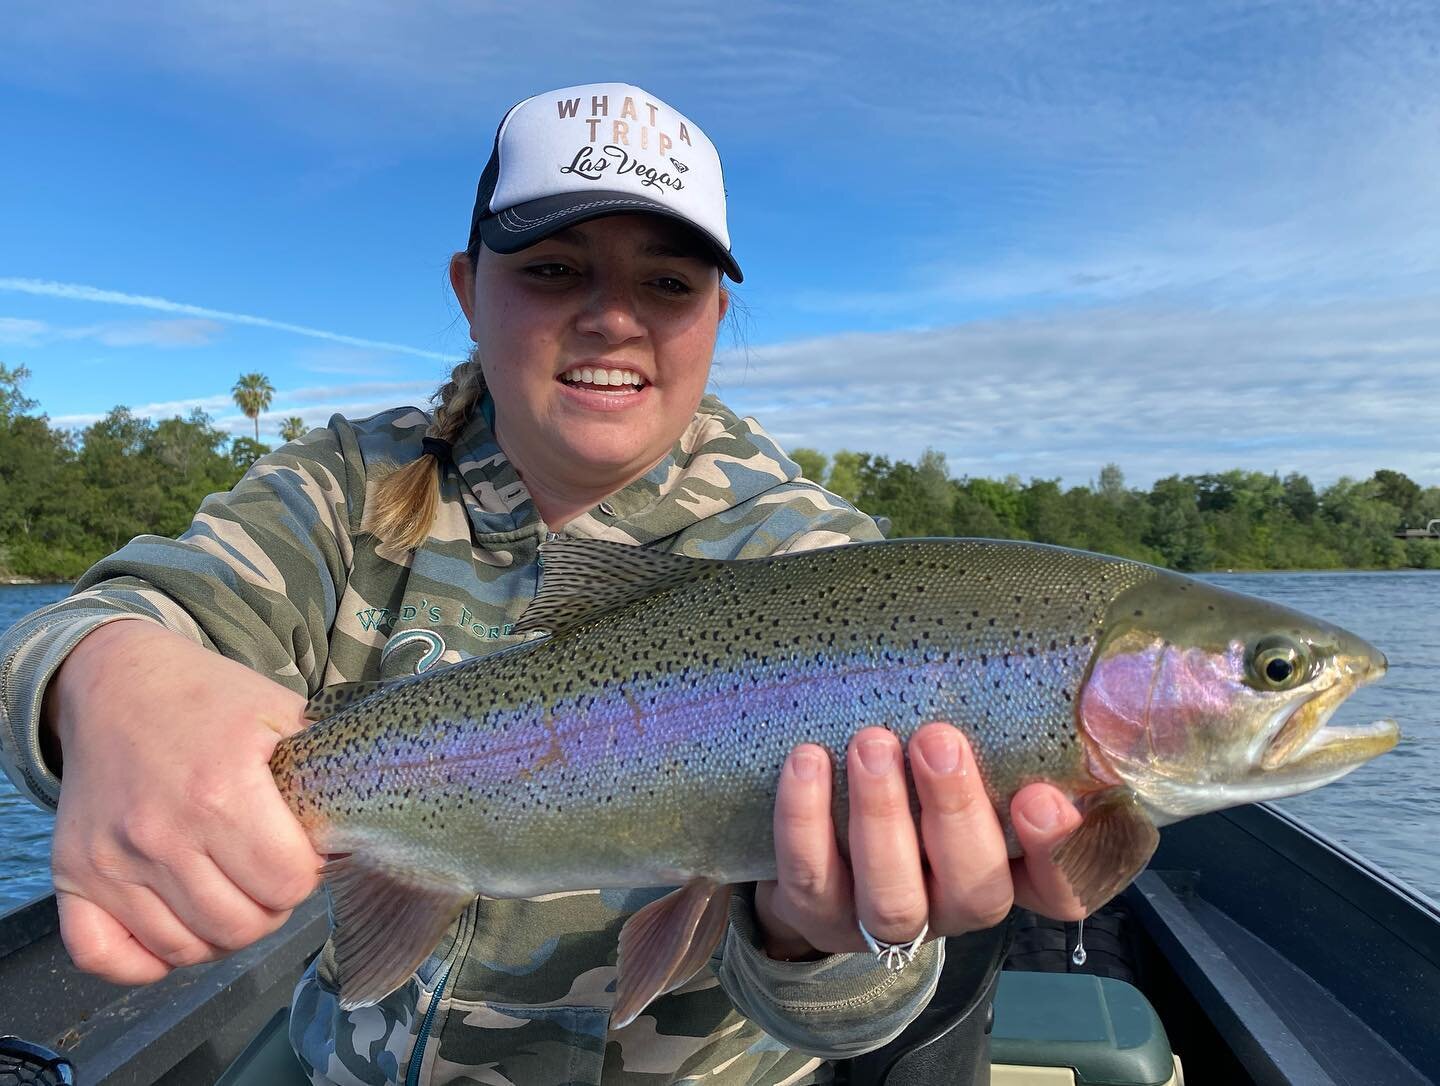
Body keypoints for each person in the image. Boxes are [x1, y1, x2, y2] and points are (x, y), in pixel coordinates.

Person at [0, 82, 1087, 1085]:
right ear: (470, 292)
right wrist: (106, 679)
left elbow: (846, 1022)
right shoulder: (343, 485)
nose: (614, 317)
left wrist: (812, 937)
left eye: (667, 283)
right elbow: (124, 614)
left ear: (715, 319)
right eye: (554, 268)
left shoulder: (822, 571)